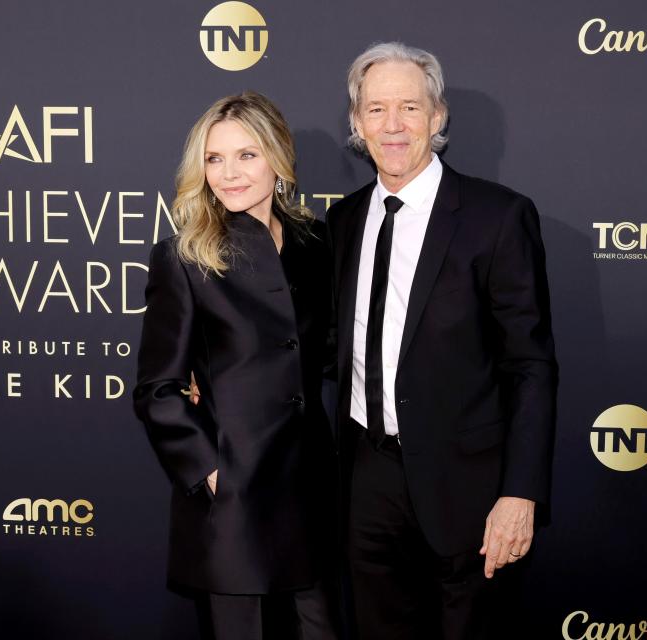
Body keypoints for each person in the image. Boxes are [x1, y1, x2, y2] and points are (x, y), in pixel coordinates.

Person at [325, 43, 558, 639]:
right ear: (356, 123)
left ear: (438, 116)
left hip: (469, 488)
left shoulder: (497, 217)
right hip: (367, 478)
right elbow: (319, 341)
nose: (393, 125)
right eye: (376, 109)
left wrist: (519, 494)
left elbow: (530, 365)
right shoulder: (344, 220)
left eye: (409, 106)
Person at [132, 92, 338, 640]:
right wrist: (210, 472)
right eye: (215, 158)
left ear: (277, 157)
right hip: (234, 500)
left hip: (310, 489)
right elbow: (157, 389)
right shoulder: (184, 256)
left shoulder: (315, 244)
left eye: (247, 156)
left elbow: (334, 353)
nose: (229, 174)